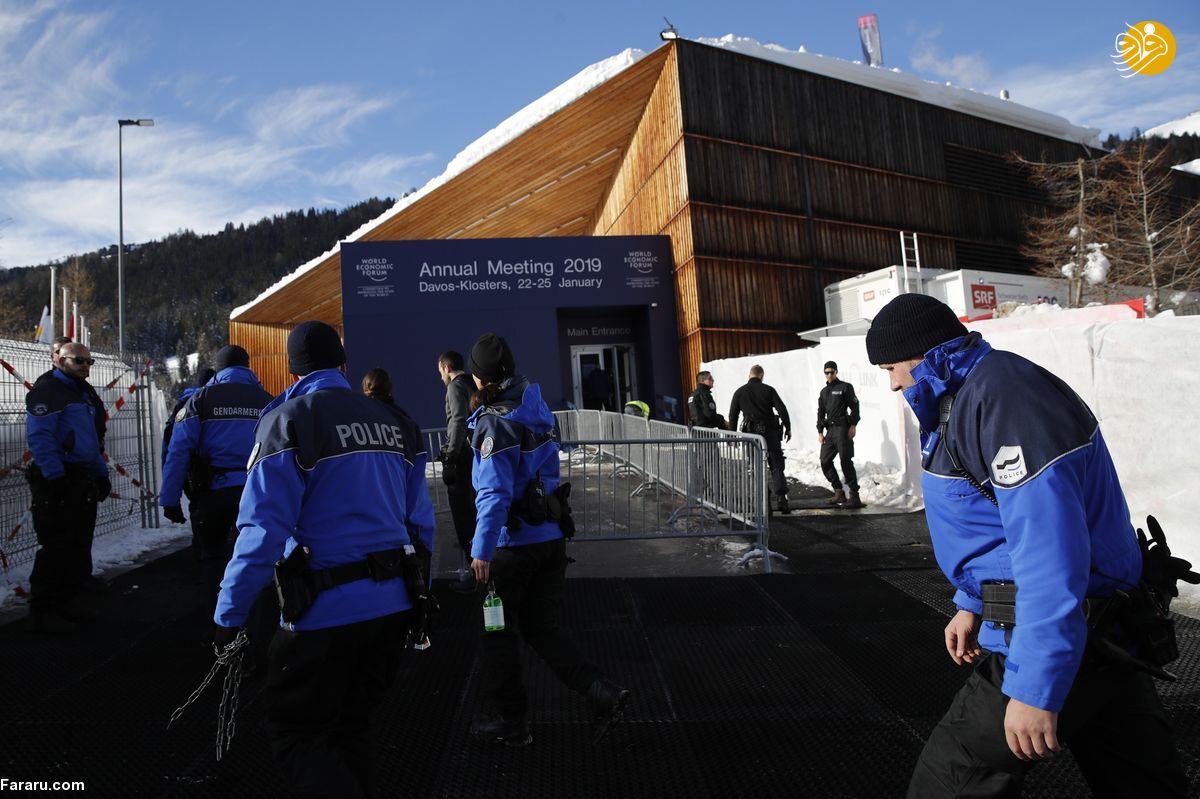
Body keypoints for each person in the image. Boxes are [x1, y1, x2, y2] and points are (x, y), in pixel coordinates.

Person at [865, 293, 1188, 798]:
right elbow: (991, 518)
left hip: (1065, 631)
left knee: (950, 781)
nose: (891, 384)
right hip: (1101, 632)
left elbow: (1049, 549)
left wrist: (1035, 687)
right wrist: (973, 602)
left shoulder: (1003, 399)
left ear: (924, 354)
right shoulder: (969, 393)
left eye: (891, 368)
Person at [213, 321, 435, 797]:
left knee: (298, 736)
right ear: (344, 366)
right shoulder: (396, 422)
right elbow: (421, 523)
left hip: (322, 612)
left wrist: (229, 616)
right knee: (354, 728)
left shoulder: (289, 421)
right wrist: (421, 591)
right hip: (392, 606)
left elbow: (261, 533)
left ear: (292, 372)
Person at [465, 333, 629, 746]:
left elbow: (494, 492)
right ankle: (600, 692)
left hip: (512, 549)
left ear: (479, 378)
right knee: (543, 629)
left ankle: (512, 722)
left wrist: (481, 550)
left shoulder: (495, 422)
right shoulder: (536, 410)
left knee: (497, 633)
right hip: (550, 538)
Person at [160, 346, 272, 612]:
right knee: (257, 559)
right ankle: (256, 622)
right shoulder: (267, 400)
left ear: (219, 369)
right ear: (247, 366)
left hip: (214, 492)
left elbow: (178, 451)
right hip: (257, 493)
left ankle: (220, 622)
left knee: (213, 558)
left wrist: (170, 499)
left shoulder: (200, 400)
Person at [24, 341, 111, 632]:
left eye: (89, 361)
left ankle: (67, 602)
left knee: (76, 543)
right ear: (60, 360)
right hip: (58, 476)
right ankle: (43, 610)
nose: (86, 366)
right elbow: (40, 438)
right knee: (55, 546)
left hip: (81, 475)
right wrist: (55, 477)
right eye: (79, 360)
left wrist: (100, 473)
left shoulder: (82, 393)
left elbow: (89, 441)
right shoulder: (49, 391)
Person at [436, 351, 478, 594]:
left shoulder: (454, 387)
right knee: (476, 513)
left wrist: (450, 456)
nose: (440, 376)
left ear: (445, 367)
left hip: (463, 459)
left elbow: (458, 421)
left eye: (440, 371)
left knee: (463, 517)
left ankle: (477, 575)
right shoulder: (474, 383)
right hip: (477, 456)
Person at [728, 365, 792, 514]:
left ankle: (765, 504)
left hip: (752, 436)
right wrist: (788, 428)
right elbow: (782, 409)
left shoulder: (740, 392)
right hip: (770, 434)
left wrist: (732, 436)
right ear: (762, 376)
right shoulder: (768, 390)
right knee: (777, 466)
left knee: (757, 469)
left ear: (749, 375)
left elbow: (733, 416)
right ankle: (782, 499)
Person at [816, 361, 863, 509]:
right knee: (825, 461)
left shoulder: (845, 387)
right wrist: (820, 431)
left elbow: (855, 407)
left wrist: (853, 425)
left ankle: (854, 496)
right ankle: (838, 491)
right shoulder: (824, 392)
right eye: (827, 372)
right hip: (830, 431)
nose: (829, 375)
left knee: (845, 461)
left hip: (843, 429)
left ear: (836, 372)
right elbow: (820, 413)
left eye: (832, 372)